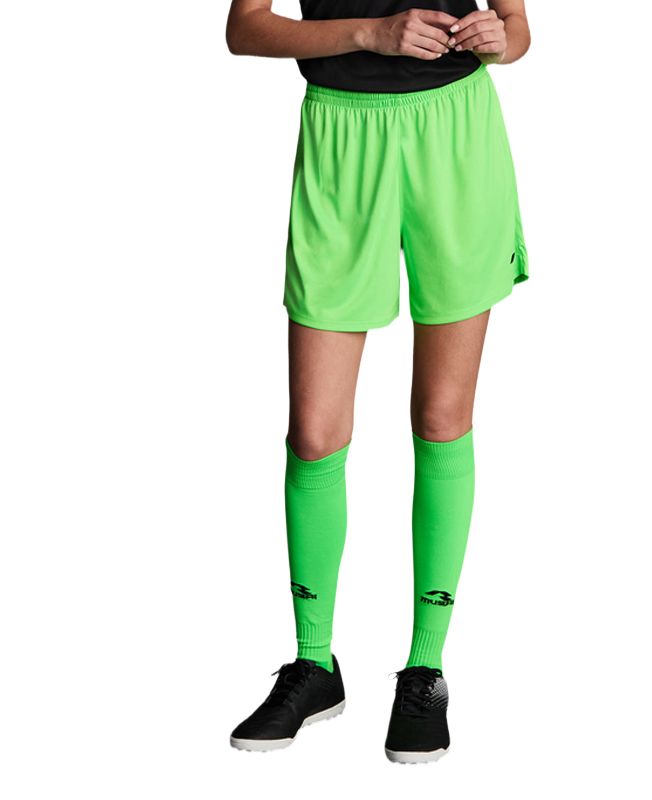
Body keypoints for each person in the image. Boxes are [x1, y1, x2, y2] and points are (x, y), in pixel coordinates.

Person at [226, 0, 530, 763]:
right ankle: (314, 664)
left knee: (442, 418)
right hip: (341, 136)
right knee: (315, 432)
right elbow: (245, 26)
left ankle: (425, 668)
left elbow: (518, 32)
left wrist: (498, 39)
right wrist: (370, 34)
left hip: (454, 134)